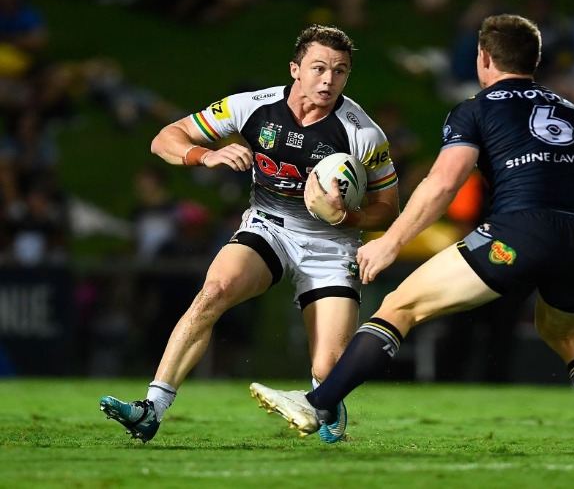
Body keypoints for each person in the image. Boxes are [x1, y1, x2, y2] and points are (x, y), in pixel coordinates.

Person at [250, 14, 574, 454]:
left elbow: (443, 184)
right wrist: (572, 242)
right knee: (565, 333)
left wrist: (391, 241)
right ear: (534, 60)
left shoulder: (476, 108)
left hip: (518, 231)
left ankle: (317, 404)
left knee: (400, 307)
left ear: (484, 58)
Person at [99, 24, 400, 444]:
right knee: (214, 290)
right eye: (318, 68)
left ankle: (328, 401)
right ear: (295, 69)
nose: (328, 80)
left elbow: (389, 210)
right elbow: (164, 139)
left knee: (329, 371)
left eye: (340, 71)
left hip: (331, 247)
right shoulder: (251, 107)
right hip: (269, 229)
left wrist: (344, 217)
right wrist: (207, 154)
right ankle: (152, 407)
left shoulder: (362, 134)